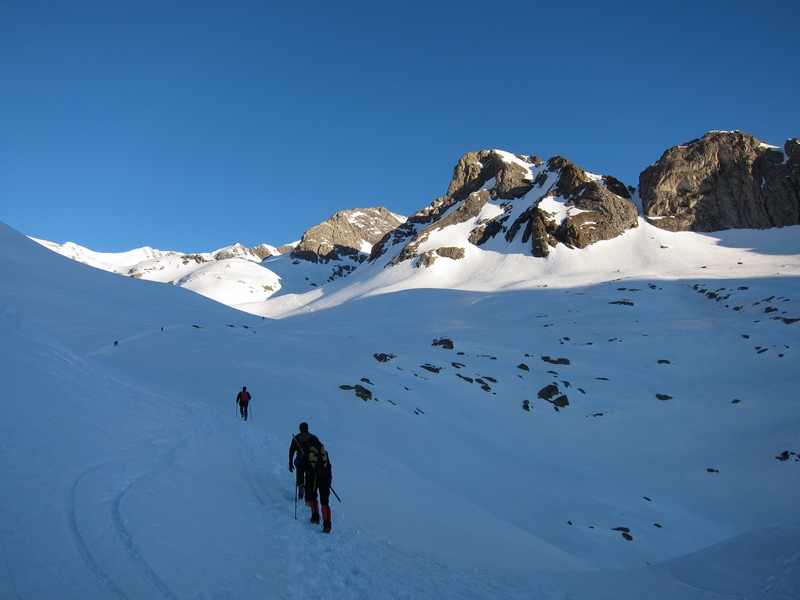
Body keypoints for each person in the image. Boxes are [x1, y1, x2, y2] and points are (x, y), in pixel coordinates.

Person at [305, 434, 333, 533]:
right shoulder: (324, 452)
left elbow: (306, 466)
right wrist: (329, 479)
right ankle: (327, 524)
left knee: (313, 497)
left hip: (313, 479)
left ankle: (315, 517)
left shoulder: (310, 452)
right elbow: (329, 467)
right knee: (325, 502)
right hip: (325, 479)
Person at [288, 423, 312, 500]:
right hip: (310, 461)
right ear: (307, 428)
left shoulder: (296, 438)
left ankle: (301, 485)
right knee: (309, 476)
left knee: (300, 474)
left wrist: (290, 463)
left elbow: (291, 451)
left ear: (300, 429)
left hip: (300, 460)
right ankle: (309, 492)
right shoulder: (312, 437)